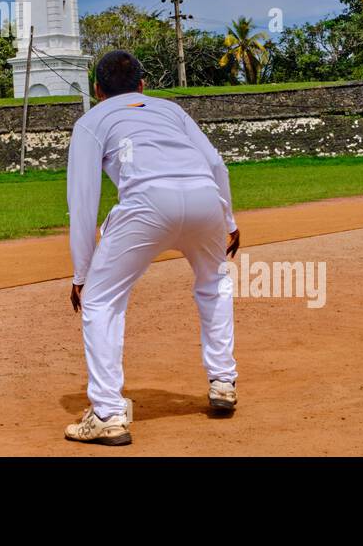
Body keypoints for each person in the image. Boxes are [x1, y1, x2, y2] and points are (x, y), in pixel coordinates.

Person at [63, 50, 240, 446]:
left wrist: (81, 275)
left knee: (100, 301)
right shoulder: (171, 110)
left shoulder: (91, 120)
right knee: (214, 282)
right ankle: (223, 382)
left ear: (97, 89)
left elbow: (83, 201)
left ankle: (107, 414)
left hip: (146, 203)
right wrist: (229, 221)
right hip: (205, 199)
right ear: (143, 85)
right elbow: (216, 165)